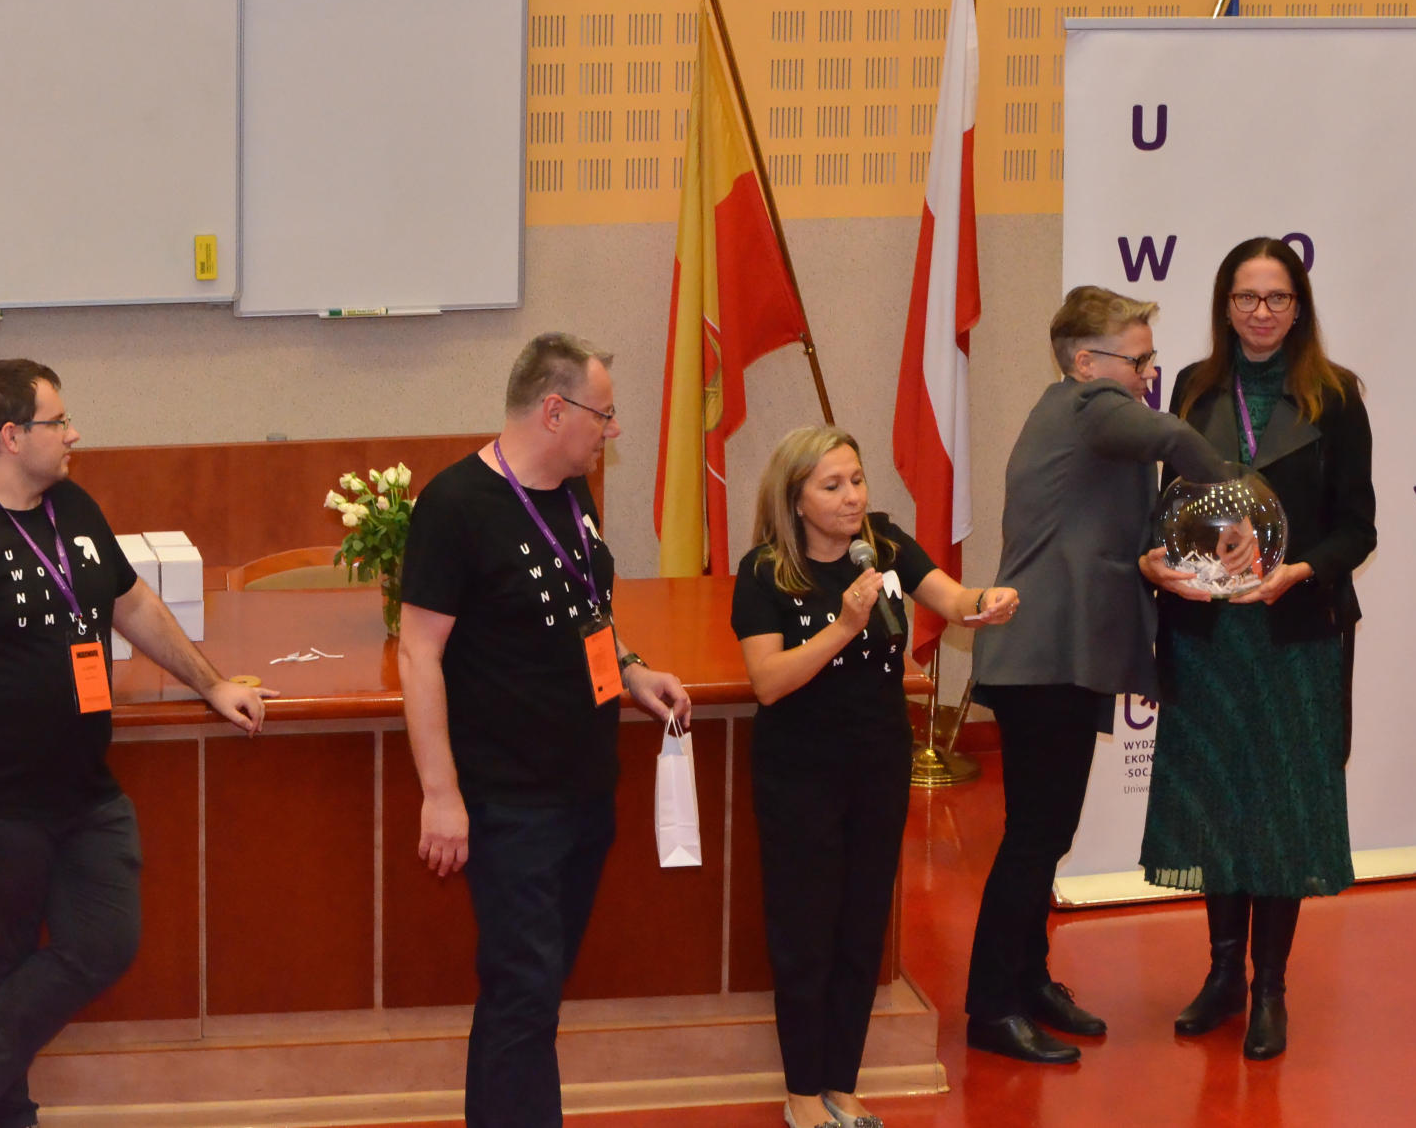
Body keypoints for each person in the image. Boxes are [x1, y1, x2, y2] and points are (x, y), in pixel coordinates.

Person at [0, 359, 274, 1128]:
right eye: (58, 421)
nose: (74, 433)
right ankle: (3, 1113)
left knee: (105, 938)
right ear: (11, 436)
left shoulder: (74, 508)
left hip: (81, 787)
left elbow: (133, 605)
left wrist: (210, 683)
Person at [396, 332, 692, 1128]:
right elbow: (418, 653)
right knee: (524, 991)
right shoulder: (456, 506)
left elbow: (587, 612)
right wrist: (440, 794)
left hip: (585, 786)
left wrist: (632, 670)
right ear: (554, 410)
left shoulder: (572, 491)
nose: (614, 430)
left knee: (534, 993)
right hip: (509, 800)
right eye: (605, 414)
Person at [963, 287, 1232, 1065]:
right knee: (1033, 837)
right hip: (1043, 654)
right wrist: (1237, 499)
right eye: (1138, 360)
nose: (1149, 373)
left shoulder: (1087, 421)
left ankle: (1028, 979)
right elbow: (1175, 436)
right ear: (1086, 362)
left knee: (1047, 833)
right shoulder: (1088, 407)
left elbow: (1111, 532)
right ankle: (990, 1006)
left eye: (1151, 359)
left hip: (1062, 655)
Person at [731, 427, 1017, 1128]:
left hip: (878, 764)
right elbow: (768, 681)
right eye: (832, 485)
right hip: (799, 773)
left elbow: (953, 599)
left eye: (856, 480)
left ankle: (841, 1082)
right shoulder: (765, 571)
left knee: (862, 928)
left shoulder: (882, 546)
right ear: (795, 499)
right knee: (806, 933)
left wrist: (988, 601)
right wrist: (842, 624)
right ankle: (802, 1093)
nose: (852, 497)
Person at [1138, 236, 1377, 1061]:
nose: (1262, 312)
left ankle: (1270, 987)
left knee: (1280, 809)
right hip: (1207, 635)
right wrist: (1167, 558)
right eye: (1246, 297)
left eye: (1277, 298)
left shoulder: (1336, 396)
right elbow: (1174, 505)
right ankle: (1221, 977)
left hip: (1293, 636)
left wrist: (1298, 570)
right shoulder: (1193, 387)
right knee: (1216, 797)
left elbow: (1359, 527)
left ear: (1299, 307)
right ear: (1225, 305)